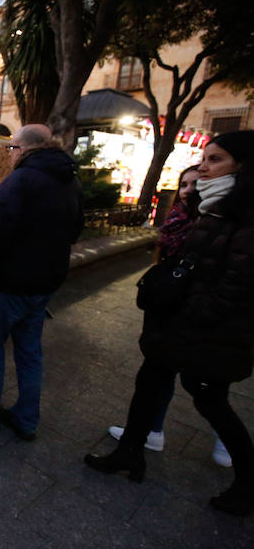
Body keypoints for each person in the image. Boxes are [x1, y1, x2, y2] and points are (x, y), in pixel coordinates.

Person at [85, 131, 254, 516]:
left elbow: (235, 287)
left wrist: (190, 314)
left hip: (209, 332)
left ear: (241, 165)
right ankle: (130, 451)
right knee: (149, 385)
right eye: (204, 159)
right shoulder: (211, 207)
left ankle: (248, 481)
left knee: (211, 402)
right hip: (179, 323)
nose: (204, 167)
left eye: (215, 160)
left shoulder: (242, 216)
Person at [0, 124, 83, 441]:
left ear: (25, 149)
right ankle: (26, 418)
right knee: (29, 351)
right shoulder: (71, 181)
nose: (10, 154)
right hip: (45, 282)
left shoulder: (21, 180)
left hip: (10, 282)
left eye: (12, 148)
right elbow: (75, 231)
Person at [107, 165, 230, 466]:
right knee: (156, 378)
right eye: (184, 184)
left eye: (196, 183)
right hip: (169, 312)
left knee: (206, 386)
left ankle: (230, 446)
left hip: (199, 317)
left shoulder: (222, 223)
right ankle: (148, 434)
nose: (189, 189)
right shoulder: (180, 221)